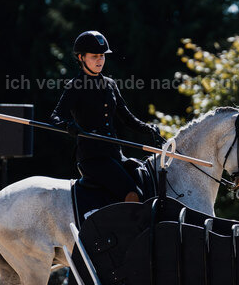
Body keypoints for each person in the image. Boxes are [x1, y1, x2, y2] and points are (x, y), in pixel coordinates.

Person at [50, 30, 162, 203]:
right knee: (132, 194)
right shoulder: (75, 85)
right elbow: (56, 116)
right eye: (94, 56)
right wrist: (68, 125)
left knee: (148, 181)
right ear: (81, 58)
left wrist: (149, 129)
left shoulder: (110, 84)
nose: (100, 60)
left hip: (115, 154)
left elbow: (127, 118)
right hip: (92, 158)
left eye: (102, 56)